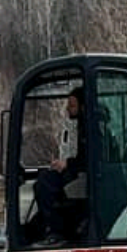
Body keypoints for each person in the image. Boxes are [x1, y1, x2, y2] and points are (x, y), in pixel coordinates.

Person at [34, 89, 84, 240]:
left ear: (83, 107)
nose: (68, 108)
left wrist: (66, 163)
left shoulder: (93, 127)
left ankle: (56, 230)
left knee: (44, 184)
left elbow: (87, 160)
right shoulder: (85, 125)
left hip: (86, 177)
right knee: (46, 177)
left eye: (72, 105)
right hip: (80, 172)